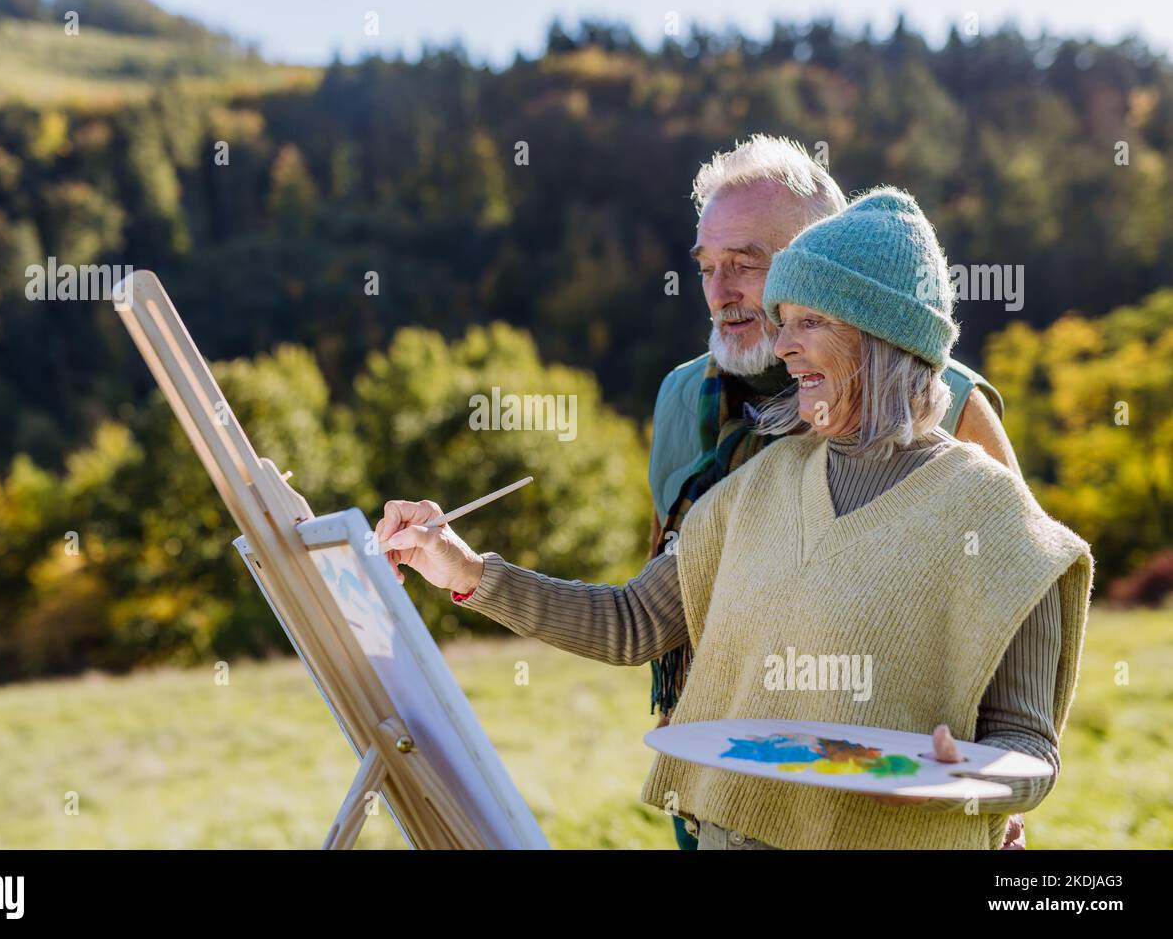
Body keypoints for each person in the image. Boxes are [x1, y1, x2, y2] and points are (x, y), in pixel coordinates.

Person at [376, 188, 1092, 850]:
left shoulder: (992, 517)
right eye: (783, 322)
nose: (782, 346)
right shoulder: (757, 488)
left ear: (882, 339)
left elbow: (1030, 755)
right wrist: (465, 572)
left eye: (810, 321)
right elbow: (630, 623)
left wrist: (965, 782)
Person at [645, 135, 1021, 849]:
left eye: (747, 266)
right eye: (707, 267)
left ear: (822, 264)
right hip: (718, 785)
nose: (721, 292)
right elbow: (660, 597)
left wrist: (994, 791)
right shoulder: (677, 399)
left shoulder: (950, 401)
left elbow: (1015, 607)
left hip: (890, 807)